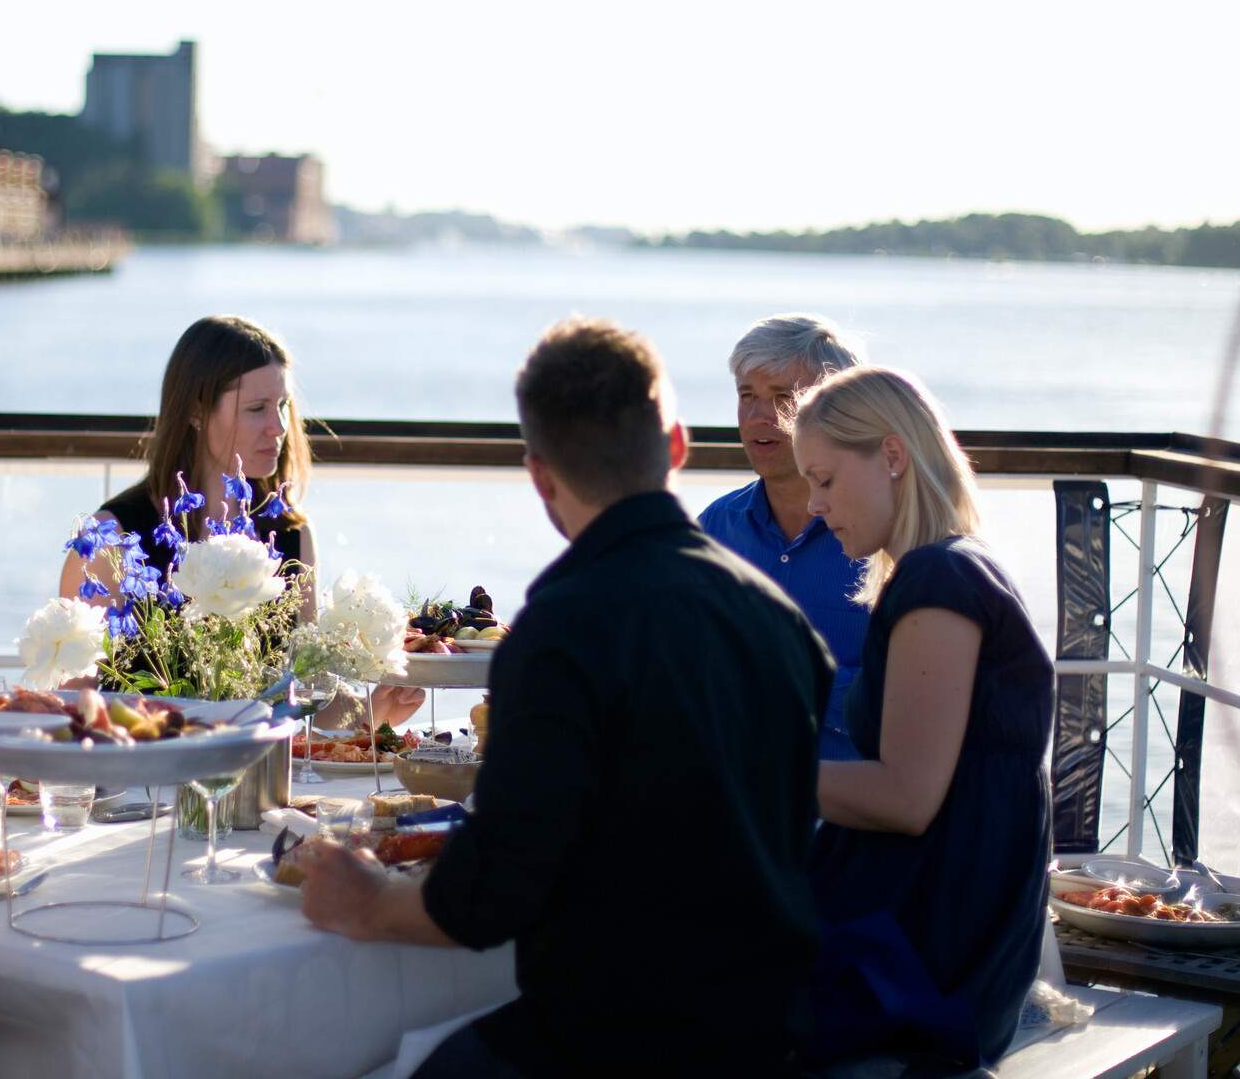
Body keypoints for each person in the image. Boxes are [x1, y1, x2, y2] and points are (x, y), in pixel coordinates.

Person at [291, 317, 833, 1076]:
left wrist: (368, 901)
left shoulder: (558, 633)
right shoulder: (781, 622)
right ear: (675, 446)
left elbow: (492, 896)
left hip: (620, 1042)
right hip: (771, 1034)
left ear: (541, 478)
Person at [793, 366, 1053, 1071]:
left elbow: (908, 798)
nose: (814, 506)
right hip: (955, 941)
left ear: (893, 456)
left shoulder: (939, 581)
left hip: (925, 969)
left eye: (824, 479)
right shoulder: (962, 567)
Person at [59, 314, 424, 727]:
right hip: (140, 783)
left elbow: (303, 687)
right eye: (257, 409)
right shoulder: (114, 537)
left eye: (283, 405)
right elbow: (76, 705)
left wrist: (373, 713)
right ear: (196, 411)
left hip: (258, 782)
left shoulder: (291, 535)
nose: (280, 428)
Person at [699, 313, 870, 759]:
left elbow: (913, 704)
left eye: (784, 397)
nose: (759, 416)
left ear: (842, 410)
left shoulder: (890, 538)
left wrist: (784, 679)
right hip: (731, 804)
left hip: (855, 815)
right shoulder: (714, 529)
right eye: (747, 396)